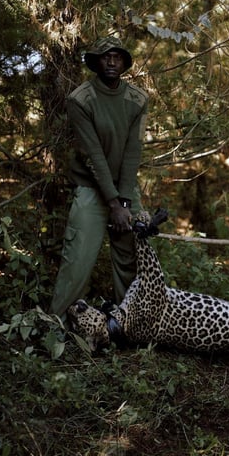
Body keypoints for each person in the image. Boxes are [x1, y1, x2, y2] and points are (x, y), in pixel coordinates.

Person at [50, 36, 149, 323]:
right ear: (95, 61)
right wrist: (114, 203)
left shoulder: (137, 99)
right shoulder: (80, 99)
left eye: (117, 56)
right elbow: (92, 154)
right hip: (91, 190)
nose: (111, 61)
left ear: (125, 62)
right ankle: (56, 325)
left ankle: (131, 324)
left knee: (131, 257)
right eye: (105, 56)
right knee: (77, 261)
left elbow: (133, 151)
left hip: (125, 189)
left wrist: (126, 200)